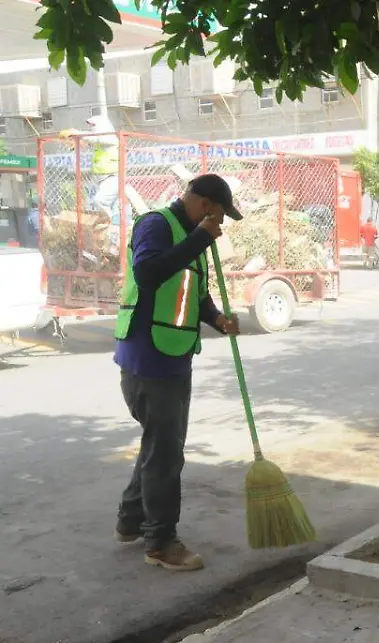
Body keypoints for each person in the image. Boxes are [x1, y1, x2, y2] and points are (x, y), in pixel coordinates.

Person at [112, 174, 243, 572]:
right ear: (205, 205)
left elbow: (193, 293)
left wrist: (217, 318)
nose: (219, 224)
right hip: (149, 357)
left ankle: (131, 520)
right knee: (166, 453)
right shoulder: (156, 225)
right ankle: (161, 542)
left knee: (159, 445)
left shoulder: (191, 237)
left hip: (173, 354)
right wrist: (201, 238)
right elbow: (149, 272)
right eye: (219, 215)